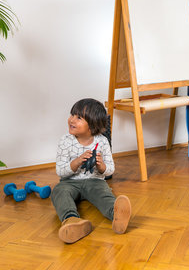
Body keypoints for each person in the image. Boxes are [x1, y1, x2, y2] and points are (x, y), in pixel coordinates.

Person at [51, 98, 131, 243]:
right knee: (59, 192)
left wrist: (101, 166)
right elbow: (60, 171)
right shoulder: (65, 141)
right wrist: (76, 162)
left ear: (92, 125)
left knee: (104, 194)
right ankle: (71, 220)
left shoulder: (102, 141)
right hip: (69, 182)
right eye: (72, 114)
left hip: (94, 181)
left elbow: (110, 170)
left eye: (79, 117)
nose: (72, 120)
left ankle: (117, 216)